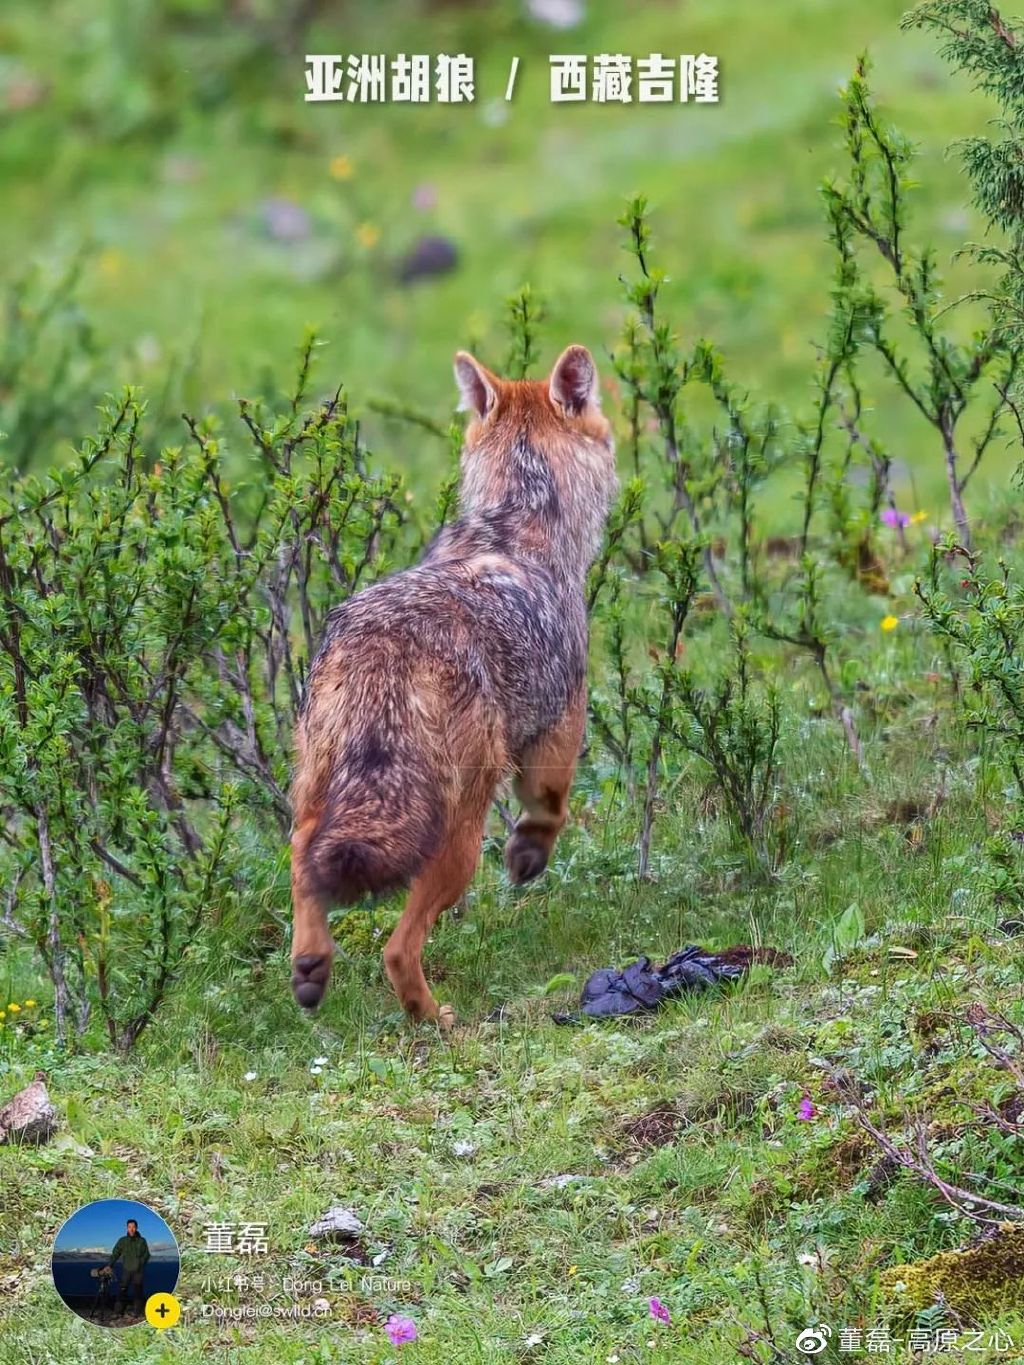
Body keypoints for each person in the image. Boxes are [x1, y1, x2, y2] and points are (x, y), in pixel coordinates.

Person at [104, 1217, 150, 1318]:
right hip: (126, 1270)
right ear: (127, 1228)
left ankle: (136, 1312)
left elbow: (146, 1255)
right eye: (129, 1227)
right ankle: (117, 1312)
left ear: (136, 1228)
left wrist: (139, 1263)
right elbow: (115, 1253)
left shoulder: (142, 1241)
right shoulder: (122, 1241)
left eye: (133, 1227)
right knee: (122, 1290)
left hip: (138, 1271)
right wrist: (110, 1265)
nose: (131, 1229)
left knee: (138, 1292)